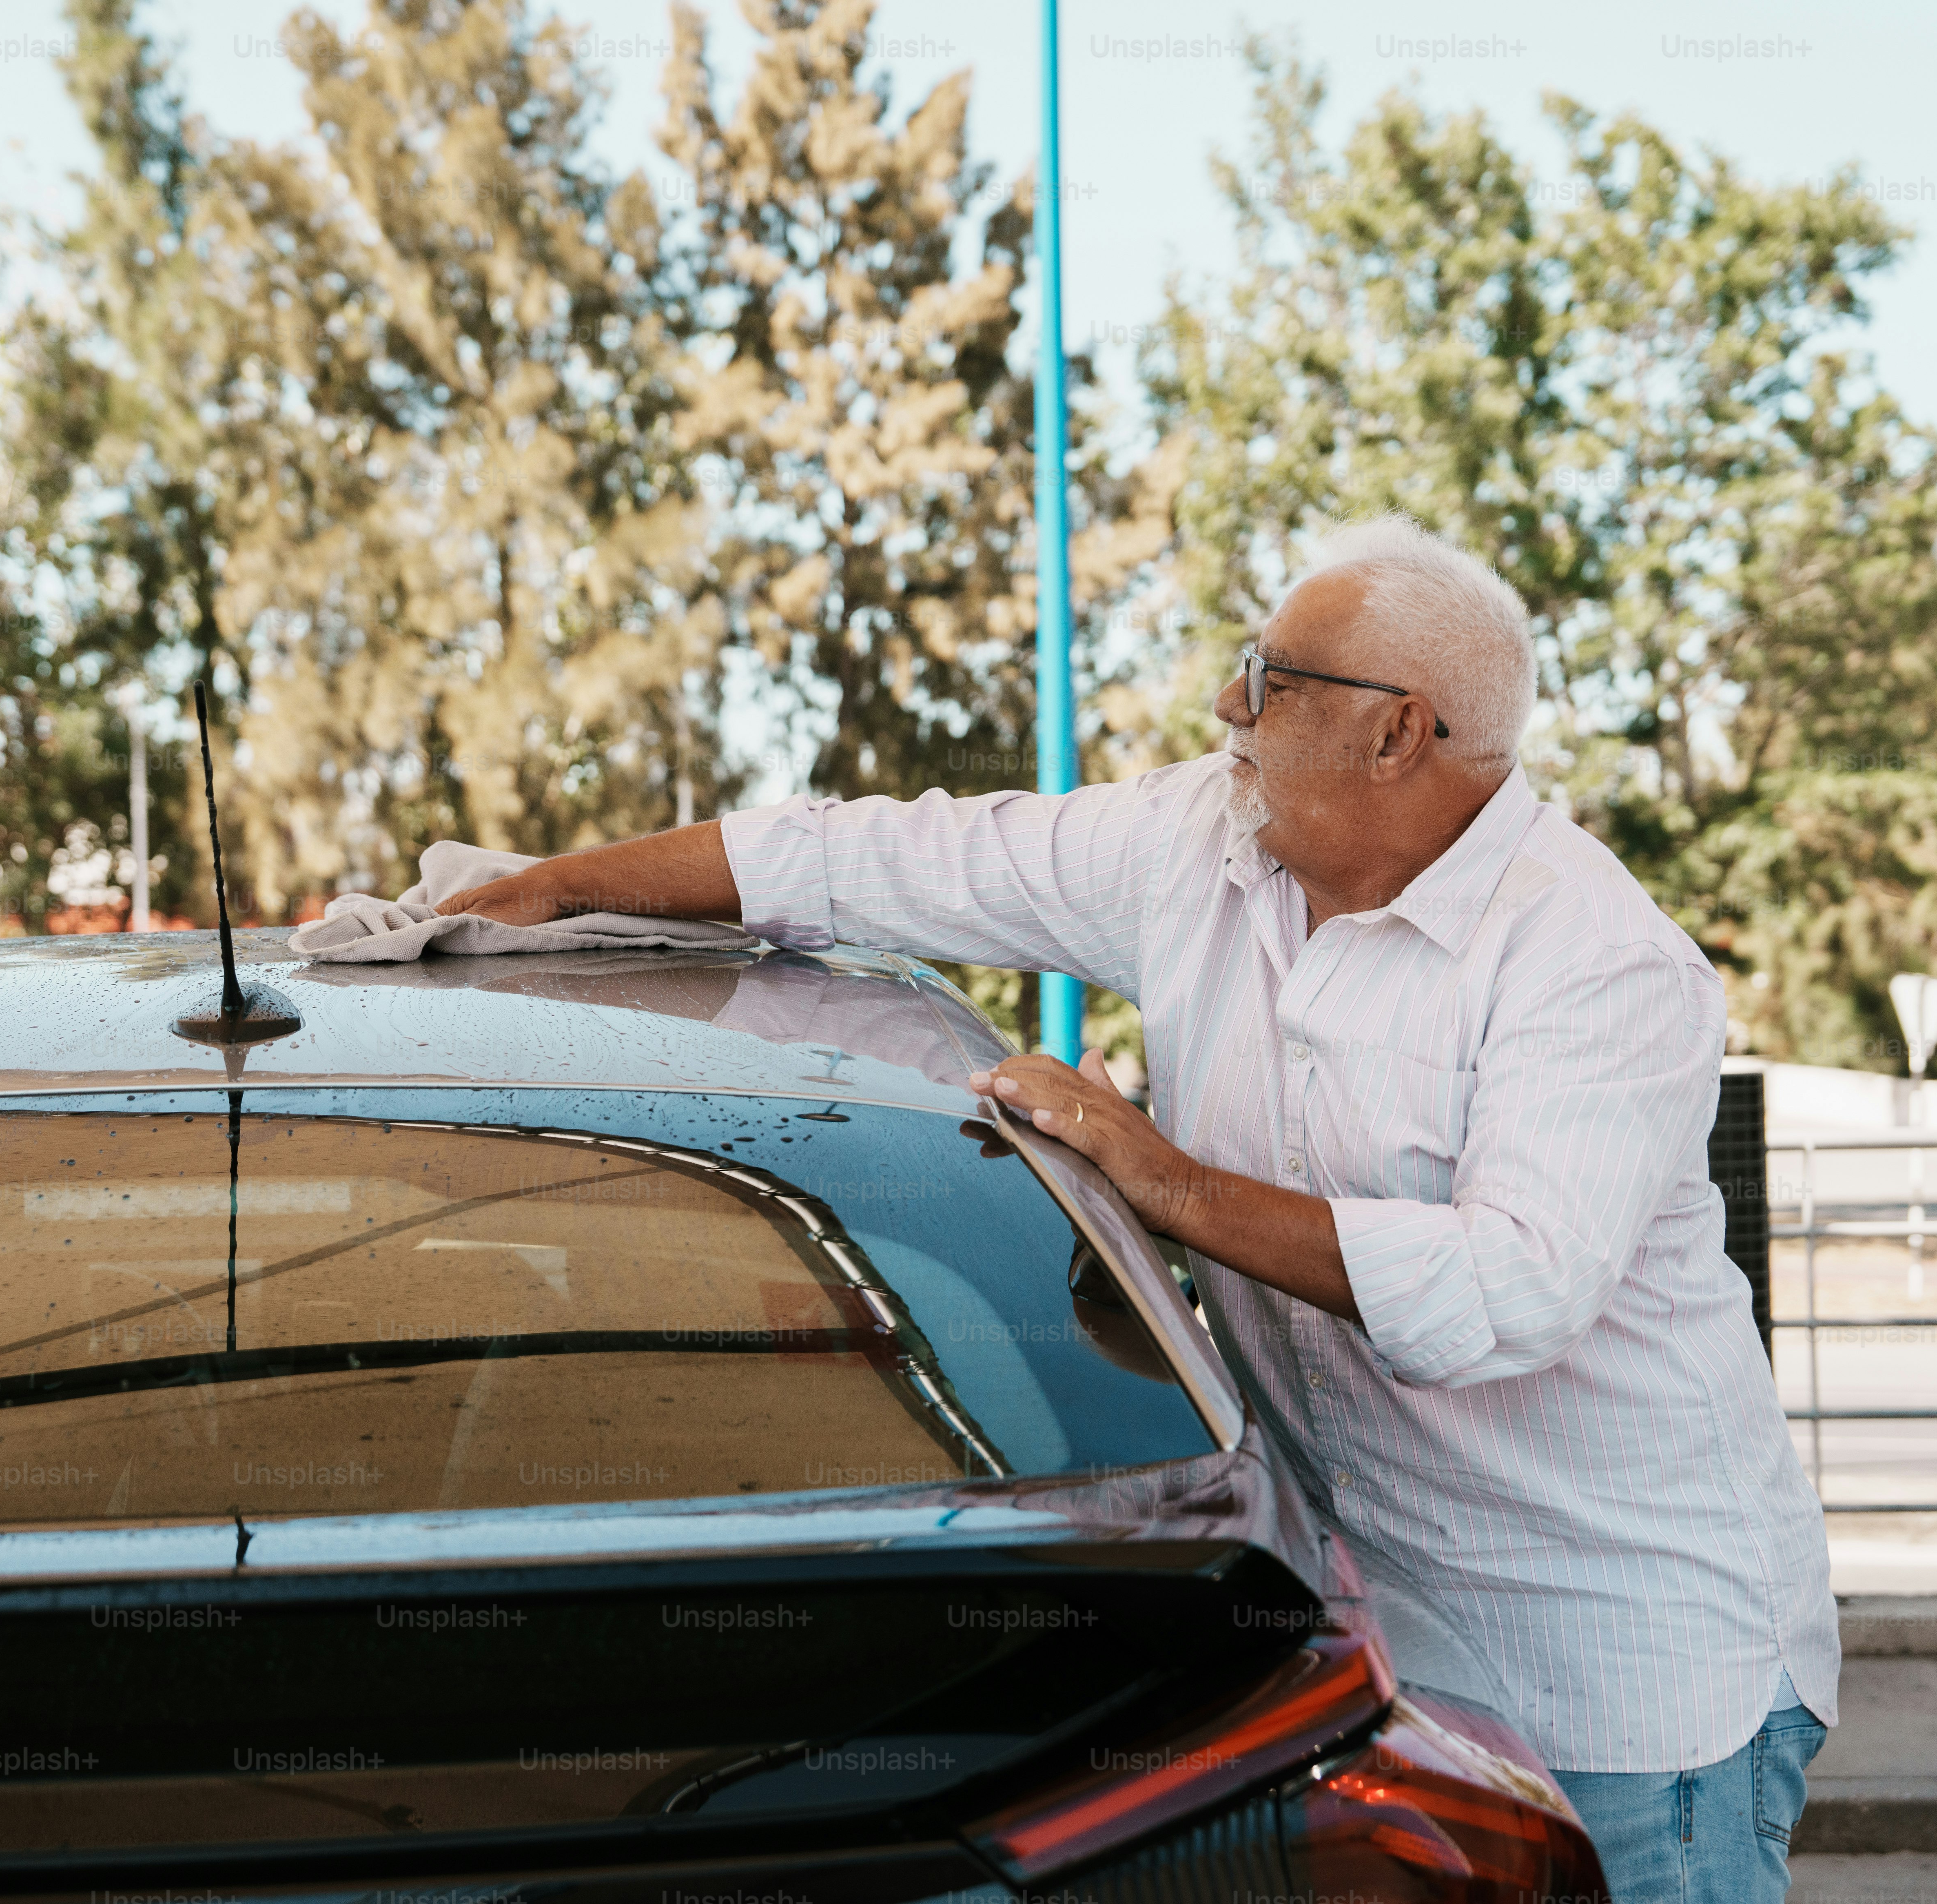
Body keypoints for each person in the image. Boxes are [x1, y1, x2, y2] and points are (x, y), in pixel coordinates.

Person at [447, 515, 1836, 1903]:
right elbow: (872, 858)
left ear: (1401, 732)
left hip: (1633, 1681)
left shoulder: (1598, 961)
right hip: (1392, 1663)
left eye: (1271, 676)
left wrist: (1162, 1180)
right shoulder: (1197, 841)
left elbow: (1512, 1288)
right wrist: (561, 886)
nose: (1227, 704)